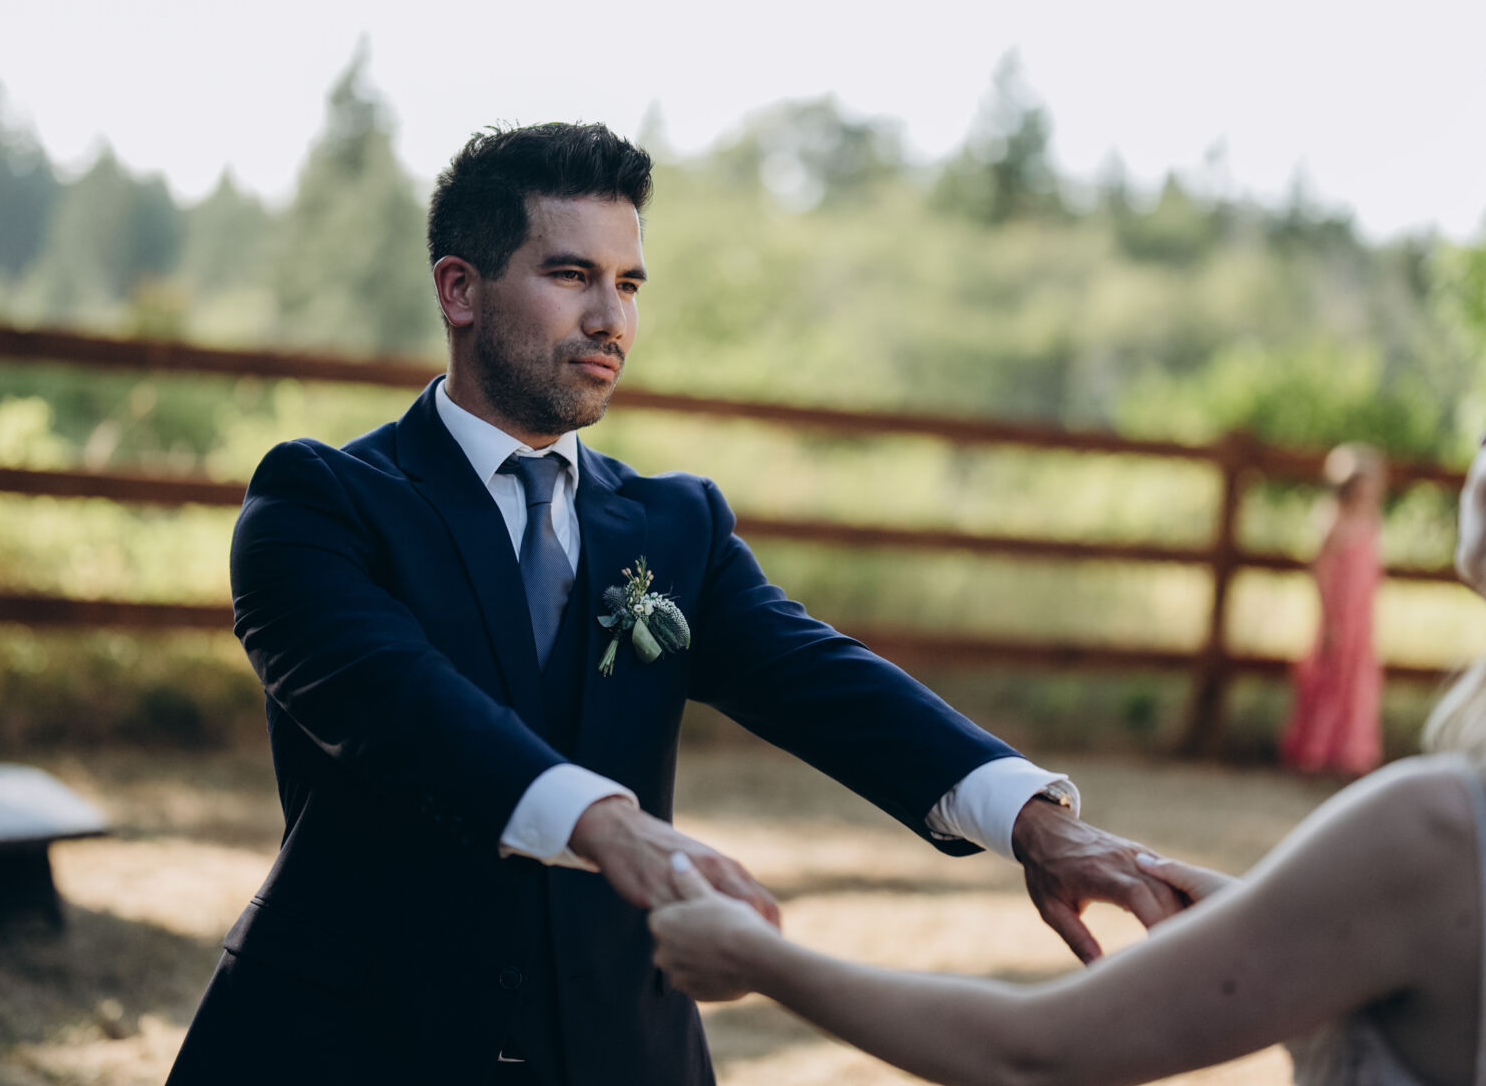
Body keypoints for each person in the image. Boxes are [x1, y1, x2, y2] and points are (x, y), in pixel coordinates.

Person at [165, 123, 1182, 1086]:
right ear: (459, 288)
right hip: (351, 1043)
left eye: (629, 283)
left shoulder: (674, 525)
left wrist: (1032, 819)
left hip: (622, 1048)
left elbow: (823, 681)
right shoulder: (318, 502)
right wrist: (607, 822)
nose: (611, 320)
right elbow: (399, 706)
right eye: (572, 276)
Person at [652, 295, 1486, 1086]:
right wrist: (1195, 890)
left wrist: (763, 960)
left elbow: (1033, 1052)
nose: (1478, 457)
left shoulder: (1441, 834)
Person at [1279, 442, 1387, 776]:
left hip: (1361, 623)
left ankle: (1351, 754)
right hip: (1337, 619)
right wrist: (1329, 620)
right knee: (1329, 682)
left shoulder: (1371, 522)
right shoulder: (1333, 522)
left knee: (1357, 685)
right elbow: (1322, 573)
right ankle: (1315, 752)